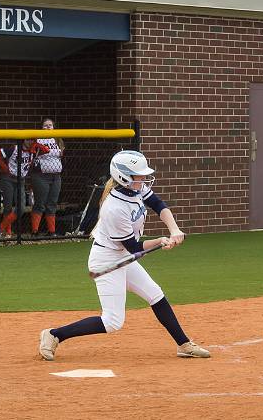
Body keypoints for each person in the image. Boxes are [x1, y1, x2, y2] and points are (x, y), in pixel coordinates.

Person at [38, 150, 210, 361]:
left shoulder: (135, 188)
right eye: (140, 175)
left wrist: (174, 230)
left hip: (122, 256)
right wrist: (160, 240)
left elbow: (158, 204)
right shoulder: (115, 208)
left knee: (155, 294)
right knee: (112, 321)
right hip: (108, 260)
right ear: (124, 177)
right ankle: (54, 334)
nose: (144, 179)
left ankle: (184, 344)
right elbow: (134, 247)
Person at [0, 139, 49, 236]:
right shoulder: (15, 148)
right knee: (8, 207)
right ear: (23, 140)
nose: (30, 142)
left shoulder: (34, 150)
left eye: (32, 140)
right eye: (28, 140)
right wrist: (5, 168)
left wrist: (36, 144)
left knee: (21, 208)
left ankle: (0, 228)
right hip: (8, 179)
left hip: (21, 180)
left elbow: (46, 150)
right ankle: (8, 233)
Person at [30, 118, 65, 236]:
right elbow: (33, 153)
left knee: (52, 203)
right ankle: (34, 231)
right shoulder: (37, 139)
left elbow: (61, 153)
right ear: (41, 128)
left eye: (50, 125)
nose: (48, 127)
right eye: (45, 126)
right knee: (40, 203)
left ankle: (52, 231)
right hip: (41, 175)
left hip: (56, 176)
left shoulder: (58, 139)